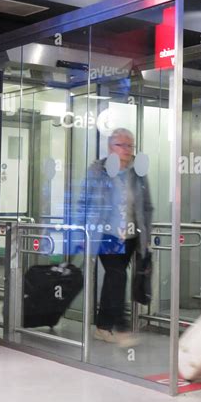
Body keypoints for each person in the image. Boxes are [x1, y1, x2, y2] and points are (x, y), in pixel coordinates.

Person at [76, 128, 153, 347]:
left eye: (130, 145)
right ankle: (121, 326)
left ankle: (102, 326)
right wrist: (83, 231)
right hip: (105, 234)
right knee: (117, 276)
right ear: (111, 147)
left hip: (130, 236)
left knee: (113, 279)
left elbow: (146, 206)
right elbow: (84, 201)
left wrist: (146, 235)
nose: (127, 150)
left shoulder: (137, 172)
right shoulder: (97, 171)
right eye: (122, 145)